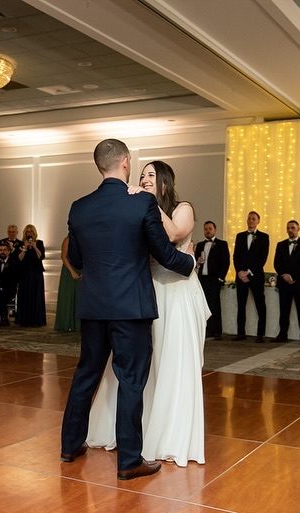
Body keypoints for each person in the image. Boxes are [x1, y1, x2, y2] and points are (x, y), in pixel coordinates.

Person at [60, 140, 195, 482]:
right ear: (125, 163)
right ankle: (129, 461)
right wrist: (191, 262)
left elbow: (74, 259)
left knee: (85, 376)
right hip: (131, 308)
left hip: (93, 307)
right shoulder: (141, 203)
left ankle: (69, 445)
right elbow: (164, 254)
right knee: (131, 380)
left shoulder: (79, 207)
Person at [86, 159, 210, 467]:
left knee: (175, 362)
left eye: (151, 176)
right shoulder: (142, 210)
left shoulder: (183, 207)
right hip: (150, 292)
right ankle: (140, 434)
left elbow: (173, 235)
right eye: (141, 176)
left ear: (165, 181)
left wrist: (148, 202)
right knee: (146, 365)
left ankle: (171, 437)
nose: (143, 180)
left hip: (180, 294)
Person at [232, 211, 270, 343]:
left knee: (260, 304)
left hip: (255, 276)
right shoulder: (240, 236)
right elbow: (236, 256)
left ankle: (261, 334)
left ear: (258, 221)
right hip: (241, 276)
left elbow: (262, 258)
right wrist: (239, 272)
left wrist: (248, 272)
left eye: (253, 219)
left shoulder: (264, 237)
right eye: (249, 219)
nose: (251, 221)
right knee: (241, 305)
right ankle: (240, 332)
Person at [273, 220, 300, 345]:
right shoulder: (281, 245)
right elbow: (276, 263)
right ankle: (282, 333)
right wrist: (284, 276)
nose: (290, 230)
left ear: (298, 228)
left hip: (299, 282)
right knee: (284, 310)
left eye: (293, 227)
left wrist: (292, 276)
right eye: (288, 228)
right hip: (284, 283)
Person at [195, 221, 230, 340]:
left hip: (214, 279)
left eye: (210, 228)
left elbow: (225, 262)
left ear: (215, 230)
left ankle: (217, 330)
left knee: (215, 304)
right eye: (205, 229)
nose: (208, 231)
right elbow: (195, 262)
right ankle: (207, 329)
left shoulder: (222, 244)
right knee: (204, 305)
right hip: (203, 279)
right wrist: (198, 263)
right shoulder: (200, 245)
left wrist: (220, 278)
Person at [16, 224, 46, 327]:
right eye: (27, 232)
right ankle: (24, 319)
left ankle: (36, 320)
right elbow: (19, 258)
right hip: (24, 273)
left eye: (31, 232)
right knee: (25, 295)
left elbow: (40, 256)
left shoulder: (40, 243)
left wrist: (34, 247)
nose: (29, 234)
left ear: (34, 233)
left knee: (36, 295)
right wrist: (25, 248)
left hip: (36, 273)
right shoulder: (21, 244)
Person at [54, 235, 82, 332]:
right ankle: (67, 323)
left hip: (82, 270)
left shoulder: (86, 238)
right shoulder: (68, 240)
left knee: (81, 297)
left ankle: (79, 324)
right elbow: (63, 256)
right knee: (68, 296)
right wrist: (72, 271)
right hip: (69, 270)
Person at [0, 242, 19, 326]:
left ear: (9, 251)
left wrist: (2, 287)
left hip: (9, 290)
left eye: (4, 250)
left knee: (2, 295)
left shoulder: (14, 264)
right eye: (0, 250)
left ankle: (4, 317)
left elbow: (14, 279)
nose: (2, 252)